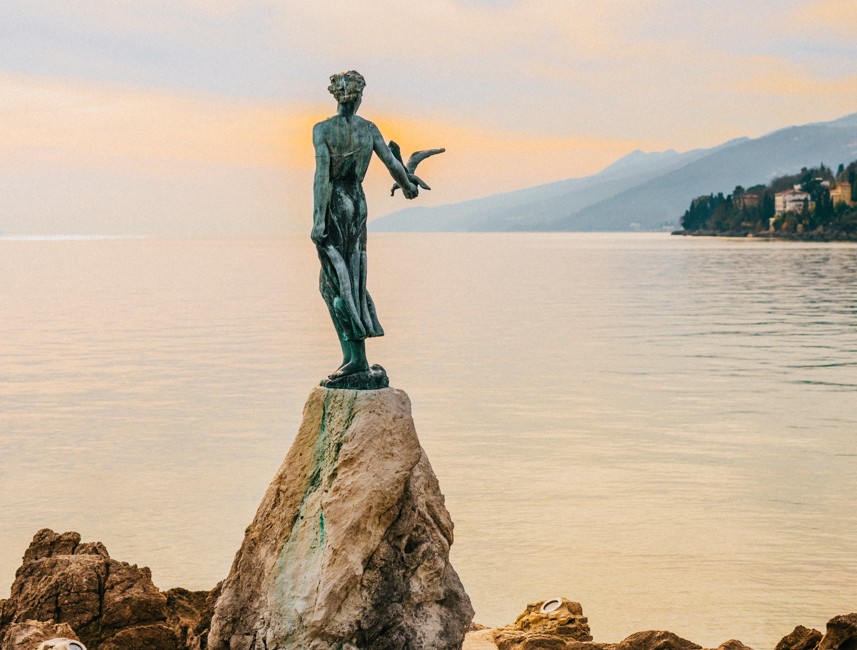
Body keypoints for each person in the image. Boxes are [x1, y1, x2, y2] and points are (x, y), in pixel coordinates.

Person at [311, 70, 418, 383]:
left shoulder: (322, 130)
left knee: (332, 283)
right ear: (358, 96)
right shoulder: (368, 129)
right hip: (357, 204)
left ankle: (355, 359)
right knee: (353, 278)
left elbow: (322, 175)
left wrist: (318, 218)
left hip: (334, 203)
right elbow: (393, 164)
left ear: (337, 95)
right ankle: (354, 357)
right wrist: (408, 185)